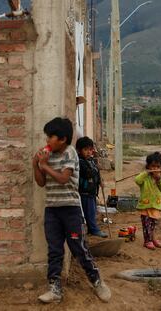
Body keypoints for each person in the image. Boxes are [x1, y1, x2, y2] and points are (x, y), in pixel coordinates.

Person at [32, 117, 111, 303]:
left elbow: (63, 179)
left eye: (50, 137)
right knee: (54, 250)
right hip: (52, 210)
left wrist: (44, 166)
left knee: (79, 248)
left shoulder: (70, 153)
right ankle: (54, 288)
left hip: (71, 210)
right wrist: (35, 165)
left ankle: (97, 281)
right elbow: (41, 182)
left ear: (63, 139)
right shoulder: (47, 155)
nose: (47, 140)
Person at [76, 136, 108, 238]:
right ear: (79, 150)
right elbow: (87, 174)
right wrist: (96, 168)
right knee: (89, 213)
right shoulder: (80, 162)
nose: (89, 152)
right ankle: (94, 230)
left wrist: (100, 182)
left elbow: (96, 174)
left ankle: (91, 228)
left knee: (93, 211)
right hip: (85, 193)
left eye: (90, 149)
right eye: (86, 150)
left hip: (92, 192)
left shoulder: (91, 160)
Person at [135, 152, 161, 250]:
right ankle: (147, 241)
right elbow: (137, 180)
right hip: (145, 206)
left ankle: (152, 239)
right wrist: (146, 173)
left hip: (155, 206)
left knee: (153, 225)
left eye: (158, 166)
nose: (155, 169)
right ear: (148, 166)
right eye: (153, 166)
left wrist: (159, 180)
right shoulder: (145, 177)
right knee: (146, 225)